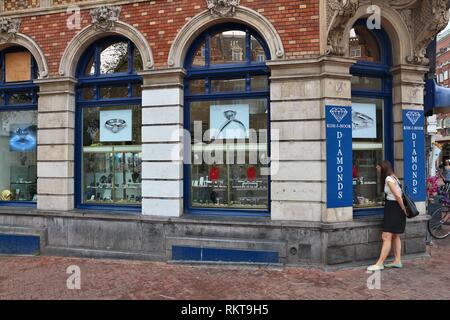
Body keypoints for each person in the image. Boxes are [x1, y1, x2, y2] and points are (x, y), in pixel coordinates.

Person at [367, 160, 408, 272]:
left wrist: (403, 209)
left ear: (383, 168)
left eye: (378, 166)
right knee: (395, 235)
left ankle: (379, 263)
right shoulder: (394, 177)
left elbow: (398, 196)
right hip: (395, 208)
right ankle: (397, 260)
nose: (377, 168)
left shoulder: (388, 179)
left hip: (394, 208)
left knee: (386, 236)